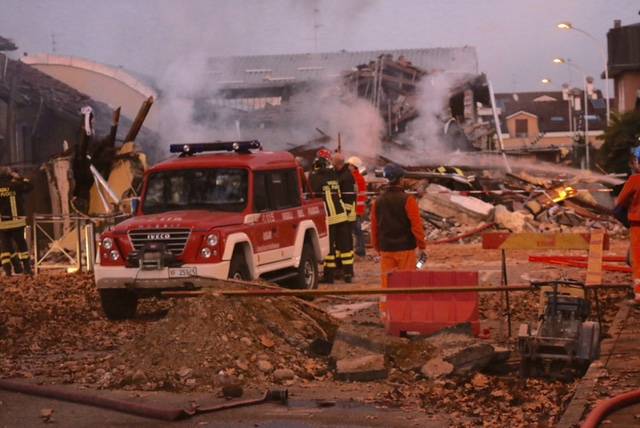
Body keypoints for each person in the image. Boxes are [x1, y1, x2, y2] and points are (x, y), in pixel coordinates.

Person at [370, 163, 426, 318]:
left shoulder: (378, 202)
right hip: (405, 248)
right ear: (401, 180)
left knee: (387, 283)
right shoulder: (408, 200)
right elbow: (416, 225)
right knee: (408, 282)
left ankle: (387, 313)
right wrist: (422, 246)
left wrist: (377, 247)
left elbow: (374, 227)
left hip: (386, 249)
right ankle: (407, 314)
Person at [308, 151, 351, 284]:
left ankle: (329, 276)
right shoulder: (333, 175)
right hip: (341, 215)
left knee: (329, 249)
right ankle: (348, 273)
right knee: (345, 247)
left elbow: (311, 195)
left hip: (329, 217)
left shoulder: (315, 176)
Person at [614, 146, 640, 303]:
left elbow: (620, 202)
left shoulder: (634, 180)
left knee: (637, 259)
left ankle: (639, 294)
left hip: (638, 226)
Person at [0, 167, 33, 276]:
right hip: (16, 222)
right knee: (21, 245)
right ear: (10, 175)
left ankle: (8, 271)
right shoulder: (15, 185)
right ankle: (27, 269)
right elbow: (29, 186)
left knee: (5, 248)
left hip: (2, 223)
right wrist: (21, 178)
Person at [332, 152, 356, 280]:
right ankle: (340, 269)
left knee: (345, 245)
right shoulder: (341, 174)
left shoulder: (346, 177)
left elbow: (348, 198)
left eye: (333, 162)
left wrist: (344, 214)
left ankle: (347, 272)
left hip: (346, 217)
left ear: (337, 163)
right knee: (340, 246)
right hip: (341, 216)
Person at [347, 156, 368, 257]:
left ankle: (359, 250)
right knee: (357, 231)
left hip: (354, 209)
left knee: (355, 231)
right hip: (358, 208)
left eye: (349, 165)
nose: (348, 167)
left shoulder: (354, 178)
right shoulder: (359, 177)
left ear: (354, 167)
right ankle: (360, 250)